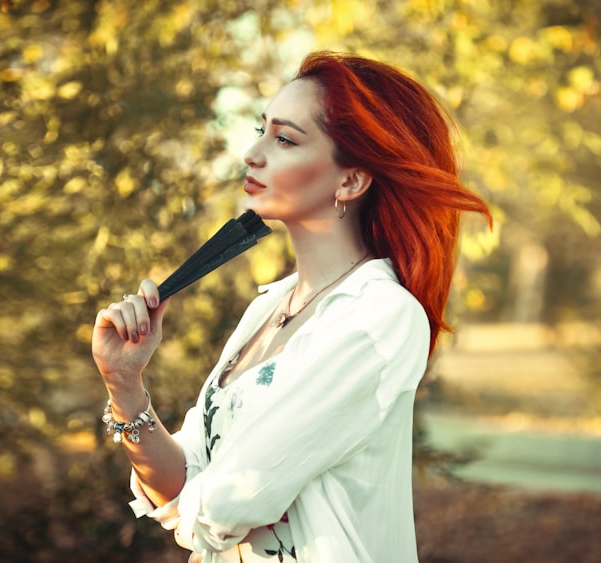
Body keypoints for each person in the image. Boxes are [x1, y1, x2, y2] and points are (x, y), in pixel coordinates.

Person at [91, 51, 491, 562]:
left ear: (350, 180)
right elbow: (183, 484)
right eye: (261, 130)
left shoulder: (380, 317)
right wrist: (124, 383)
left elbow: (228, 506)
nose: (252, 154)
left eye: (284, 139)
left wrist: (214, 500)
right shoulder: (270, 306)